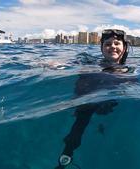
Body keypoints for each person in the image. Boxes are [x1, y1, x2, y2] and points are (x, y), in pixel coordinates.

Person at [55, 29, 135, 169]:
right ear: (102, 48)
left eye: (117, 43)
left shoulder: (131, 67)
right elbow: (71, 62)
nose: (113, 46)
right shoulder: (90, 61)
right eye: (108, 44)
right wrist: (56, 64)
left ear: (124, 47)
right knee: (79, 124)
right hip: (87, 99)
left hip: (109, 101)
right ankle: (66, 156)